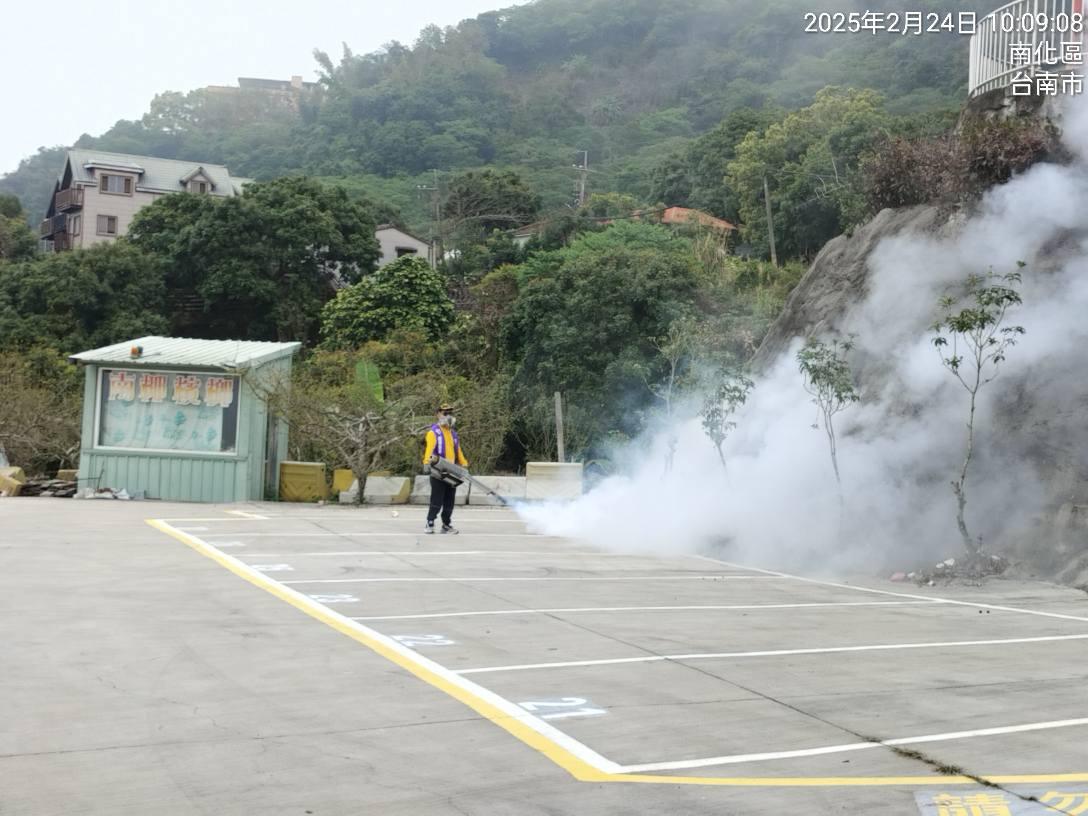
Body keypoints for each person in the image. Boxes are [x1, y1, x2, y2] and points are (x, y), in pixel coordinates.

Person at [422, 403, 469, 534]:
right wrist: (426, 462)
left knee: (449, 500)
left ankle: (446, 525)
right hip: (438, 471)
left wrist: (464, 464)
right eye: (445, 413)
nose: (448, 416)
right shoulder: (433, 432)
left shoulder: (453, 434)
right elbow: (429, 449)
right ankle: (430, 522)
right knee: (437, 499)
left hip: (451, 472)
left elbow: (458, 451)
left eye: (450, 413)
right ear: (438, 414)